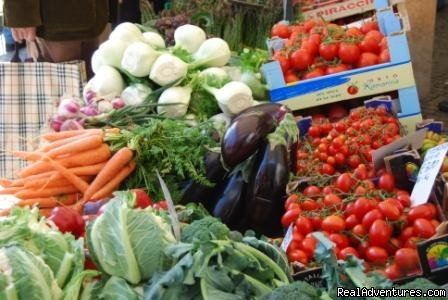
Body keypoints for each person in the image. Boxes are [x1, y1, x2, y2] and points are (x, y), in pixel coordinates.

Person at [2, 0, 114, 76]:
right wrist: (22, 13)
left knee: (97, 97)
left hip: (98, 17)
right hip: (56, 23)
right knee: (57, 99)